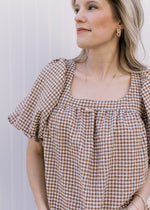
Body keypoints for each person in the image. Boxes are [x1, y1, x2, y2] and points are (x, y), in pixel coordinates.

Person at [8, 0, 150, 209]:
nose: (78, 17)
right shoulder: (57, 76)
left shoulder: (143, 86)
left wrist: (138, 203)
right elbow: (35, 149)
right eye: (77, 9)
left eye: (91, 7)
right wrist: (42, 206)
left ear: (120, 19)